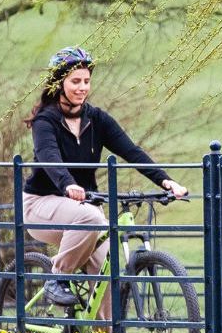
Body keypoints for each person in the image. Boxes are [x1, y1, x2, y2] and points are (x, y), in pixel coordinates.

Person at [22, 46, 188, 312]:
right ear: (58, 83)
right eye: (75, 81)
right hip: (42, 204)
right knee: (91, 217)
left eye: (86, 81)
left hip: (85, 205)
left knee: (107, 271)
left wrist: (165, 181)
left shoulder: (96, 119)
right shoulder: (46, 121)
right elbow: (49, 157)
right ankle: (57, 277)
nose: (82, 87)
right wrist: (68, 184)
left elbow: (131, 151)